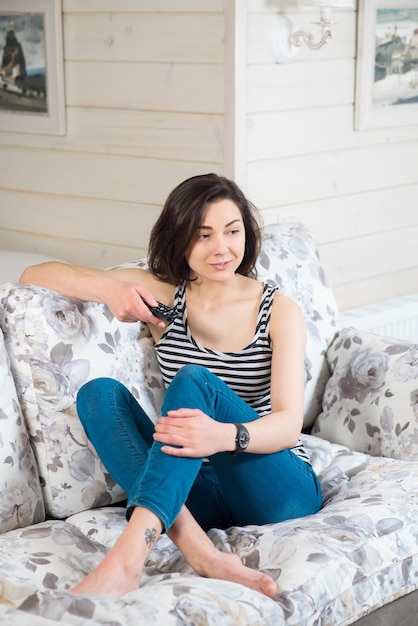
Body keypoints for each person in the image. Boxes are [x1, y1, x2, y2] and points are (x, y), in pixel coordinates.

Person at [20, 173, 322, 599]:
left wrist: (224, 435)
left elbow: (289, 425)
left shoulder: (277, 311)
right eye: (203, 235)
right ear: (179, 240)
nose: (221, 248)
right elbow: (35, 272)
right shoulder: (165, 300)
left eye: (232, 231)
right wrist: (109, 288)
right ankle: (201, 551)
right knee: (97, 395)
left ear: (245, 234)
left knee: (193, 379)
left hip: (275, 488)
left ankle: (127, 559)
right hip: (197, 496)